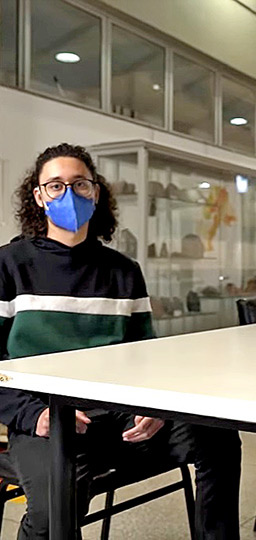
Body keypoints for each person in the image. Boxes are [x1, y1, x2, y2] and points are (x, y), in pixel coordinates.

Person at [0, 143, 241, 540]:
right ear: (39, 197)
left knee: (217, 436)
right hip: (48, 418)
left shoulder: (124, 271)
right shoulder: (9, 266)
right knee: (53, 513)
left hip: (118, 415)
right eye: (55, 186)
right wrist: (33, 416)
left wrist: (154, 406)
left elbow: (146, 357)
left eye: (80, 184)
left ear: (95, 193)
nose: (69, 194)